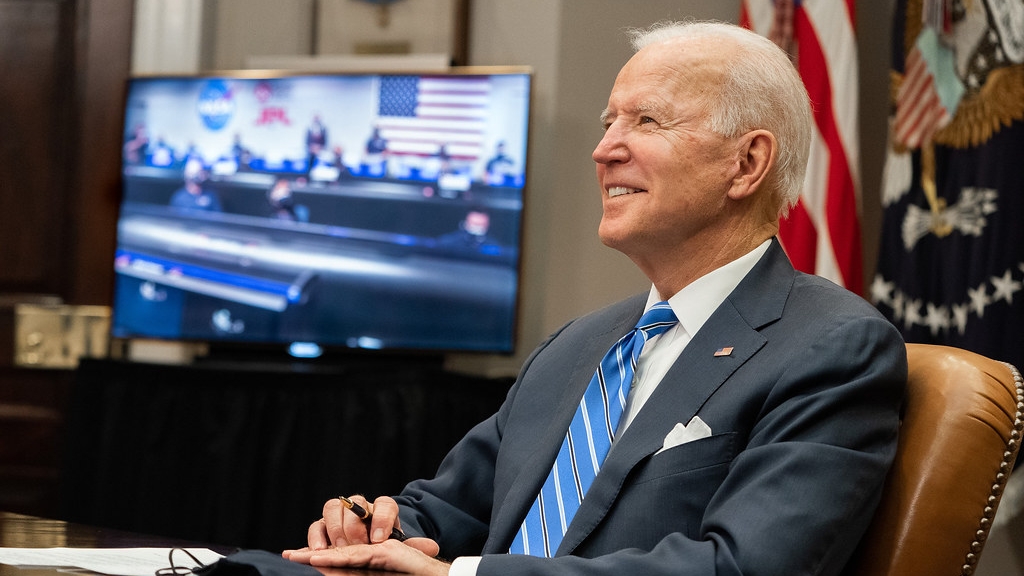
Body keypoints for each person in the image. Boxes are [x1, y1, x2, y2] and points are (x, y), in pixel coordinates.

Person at [283, 21, 907, 576]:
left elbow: (744, 565)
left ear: (746, 164)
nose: (604, 148)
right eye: (610, 121)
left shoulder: (832, 347)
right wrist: (371, 529)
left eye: (647, 121)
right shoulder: (577, 345)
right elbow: (444, 509)